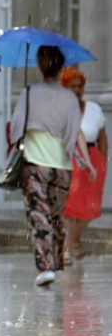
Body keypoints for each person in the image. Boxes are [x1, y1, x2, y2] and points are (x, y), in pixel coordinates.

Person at [9, 46, 89, 287]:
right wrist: (63, 148)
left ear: (40, 66)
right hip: (61, 163)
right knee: (56, 214)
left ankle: (46, 266)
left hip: (35, 161)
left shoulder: (29, 93)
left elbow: (15, 129)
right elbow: (74, 131)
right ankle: (55, 259)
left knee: (38, 213)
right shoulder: (69, 98)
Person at [60, 66, 107, 264]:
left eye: (80, 86)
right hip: (70, 156)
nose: (77, 90)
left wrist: (103, 162)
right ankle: (68, 248)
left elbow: (103, 138)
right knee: (71, 205)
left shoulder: (94, 109)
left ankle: (73, 241)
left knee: (90, 207)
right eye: (73, 86)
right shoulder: (60, 109)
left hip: (93, 157)